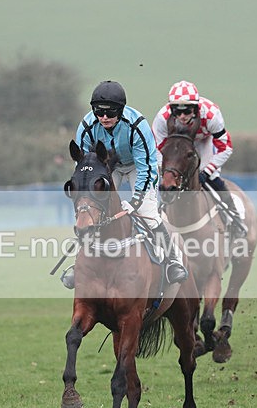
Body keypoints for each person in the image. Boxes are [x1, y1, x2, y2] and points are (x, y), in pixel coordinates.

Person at [76, 80, 187, 284]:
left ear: (121, 110)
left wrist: (135, 202)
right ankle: (79, 265)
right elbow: (86, 167)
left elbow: (146, 167)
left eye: (110, 113)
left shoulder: (137, 126)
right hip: (109, 168)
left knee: (149, 214)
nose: (104, 117)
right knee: (91, 211)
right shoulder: (86, 127)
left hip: (138, 166)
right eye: (99, 112)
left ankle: (173, 261)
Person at [152, 80, 247, 236]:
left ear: (196, 108)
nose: (182, 116)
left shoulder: (211, 115)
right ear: (171, 109)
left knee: (212, 176)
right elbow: (156, 148)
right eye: (177, 111)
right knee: (165, 181)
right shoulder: (162, 118)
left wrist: (206, 172)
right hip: (175, 147)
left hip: (203, 141)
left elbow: (226, 147)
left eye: (187, 111)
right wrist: (166, 172)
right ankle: (156, 217)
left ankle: (234, 218)